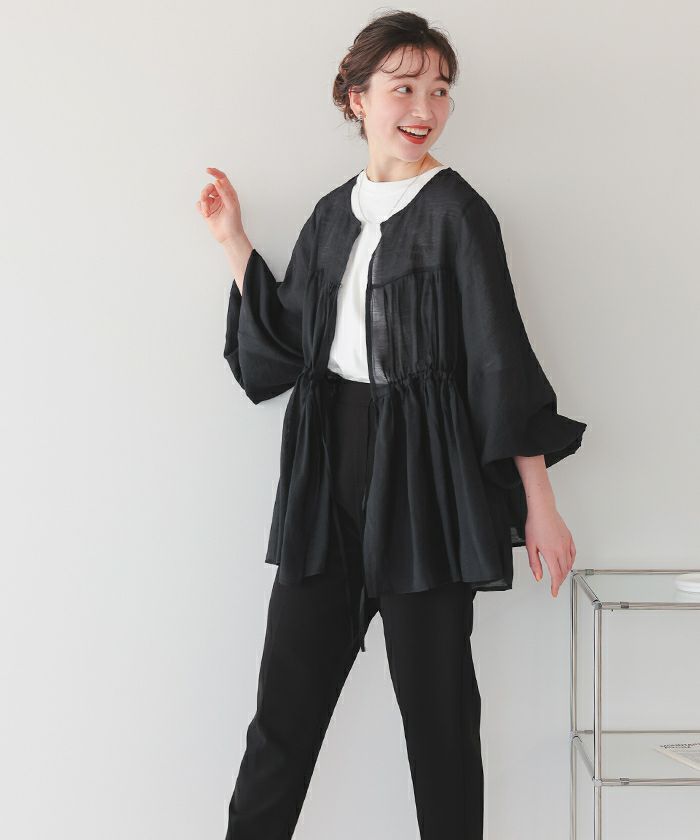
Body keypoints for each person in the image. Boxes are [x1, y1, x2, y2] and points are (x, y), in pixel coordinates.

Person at [196, 11, 587, 839]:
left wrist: (540, 504)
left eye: (439, 90)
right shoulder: (331, 215)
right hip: (327, 478)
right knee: (281, 722)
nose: (424, 108)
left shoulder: (459, 214)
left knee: (440, 728)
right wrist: (233, 242)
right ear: (357, 98)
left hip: (426, 487)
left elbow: (498, 363)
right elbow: (288, 343)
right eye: (403, 88)